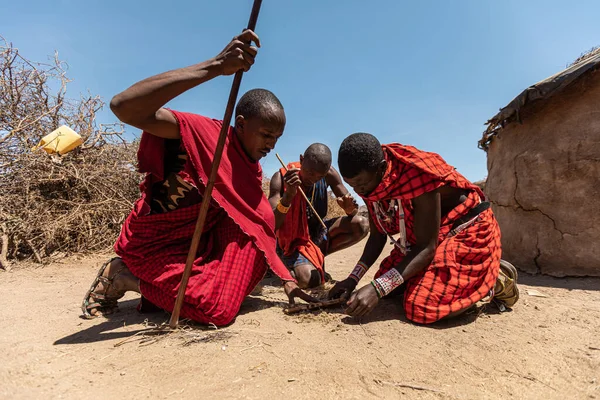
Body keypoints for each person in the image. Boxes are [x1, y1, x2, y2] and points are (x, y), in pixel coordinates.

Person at [81, 30, 316, 327]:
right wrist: (215, 66)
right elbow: (123, 106)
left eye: (277, 138)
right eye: (266, 135)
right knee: (218, 311)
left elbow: (261, 226)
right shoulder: (204, 135)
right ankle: (125, 275)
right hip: (154, 244)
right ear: (241, 125)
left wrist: (286, 280)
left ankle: (159, 291)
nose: (271, 145)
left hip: (197, 243)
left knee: (248, 253)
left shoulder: (251, 168)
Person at [329, 133, 519, 324]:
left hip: (466, 230)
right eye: (352, 185)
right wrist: (352, 279)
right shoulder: (372, 181)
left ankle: (490, 279)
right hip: (432, 233)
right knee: (389, 284)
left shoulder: (416, 175)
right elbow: (377, 237)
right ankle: (451, 277)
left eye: (361, 184)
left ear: (382, 168)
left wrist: (377, 288)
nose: (359, 191)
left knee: (421, 306)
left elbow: (426, 248)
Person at [268, 143, 369, 288]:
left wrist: (350, 209)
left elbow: (351, 210)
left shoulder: (329, 175)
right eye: (309, 172)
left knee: (361, 224)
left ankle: (312, 258)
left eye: (319, 175)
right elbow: (272, 225)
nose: (313, 178)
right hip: (290, 243)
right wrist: (288, 197)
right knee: (308, 280)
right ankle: (283, 262)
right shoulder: (281, 177)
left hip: (317, 236)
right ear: (302, 160)